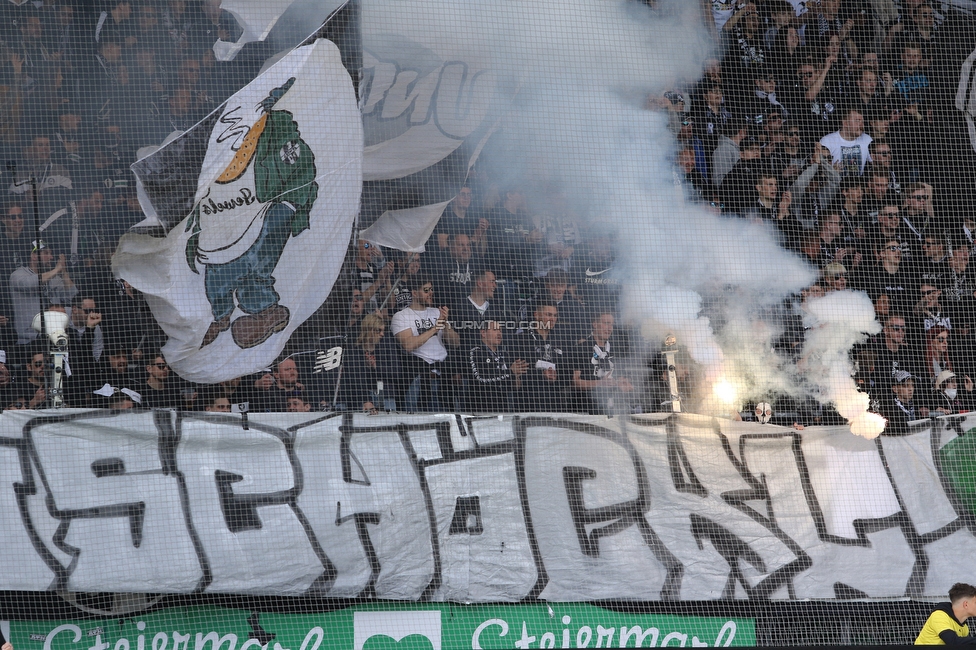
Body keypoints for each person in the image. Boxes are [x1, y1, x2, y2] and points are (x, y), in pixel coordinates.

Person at [391, 275, 459, 411]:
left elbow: (455, 343)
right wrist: (434, 328)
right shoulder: (401, 316)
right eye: (426, 290)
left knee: (450, 423)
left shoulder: (436, 312)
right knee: (420, 425)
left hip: (443, 377)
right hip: (419, 378)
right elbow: (408, 345)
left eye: (431, 290)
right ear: (415, 293)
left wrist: (445, 323)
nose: (430, 293)